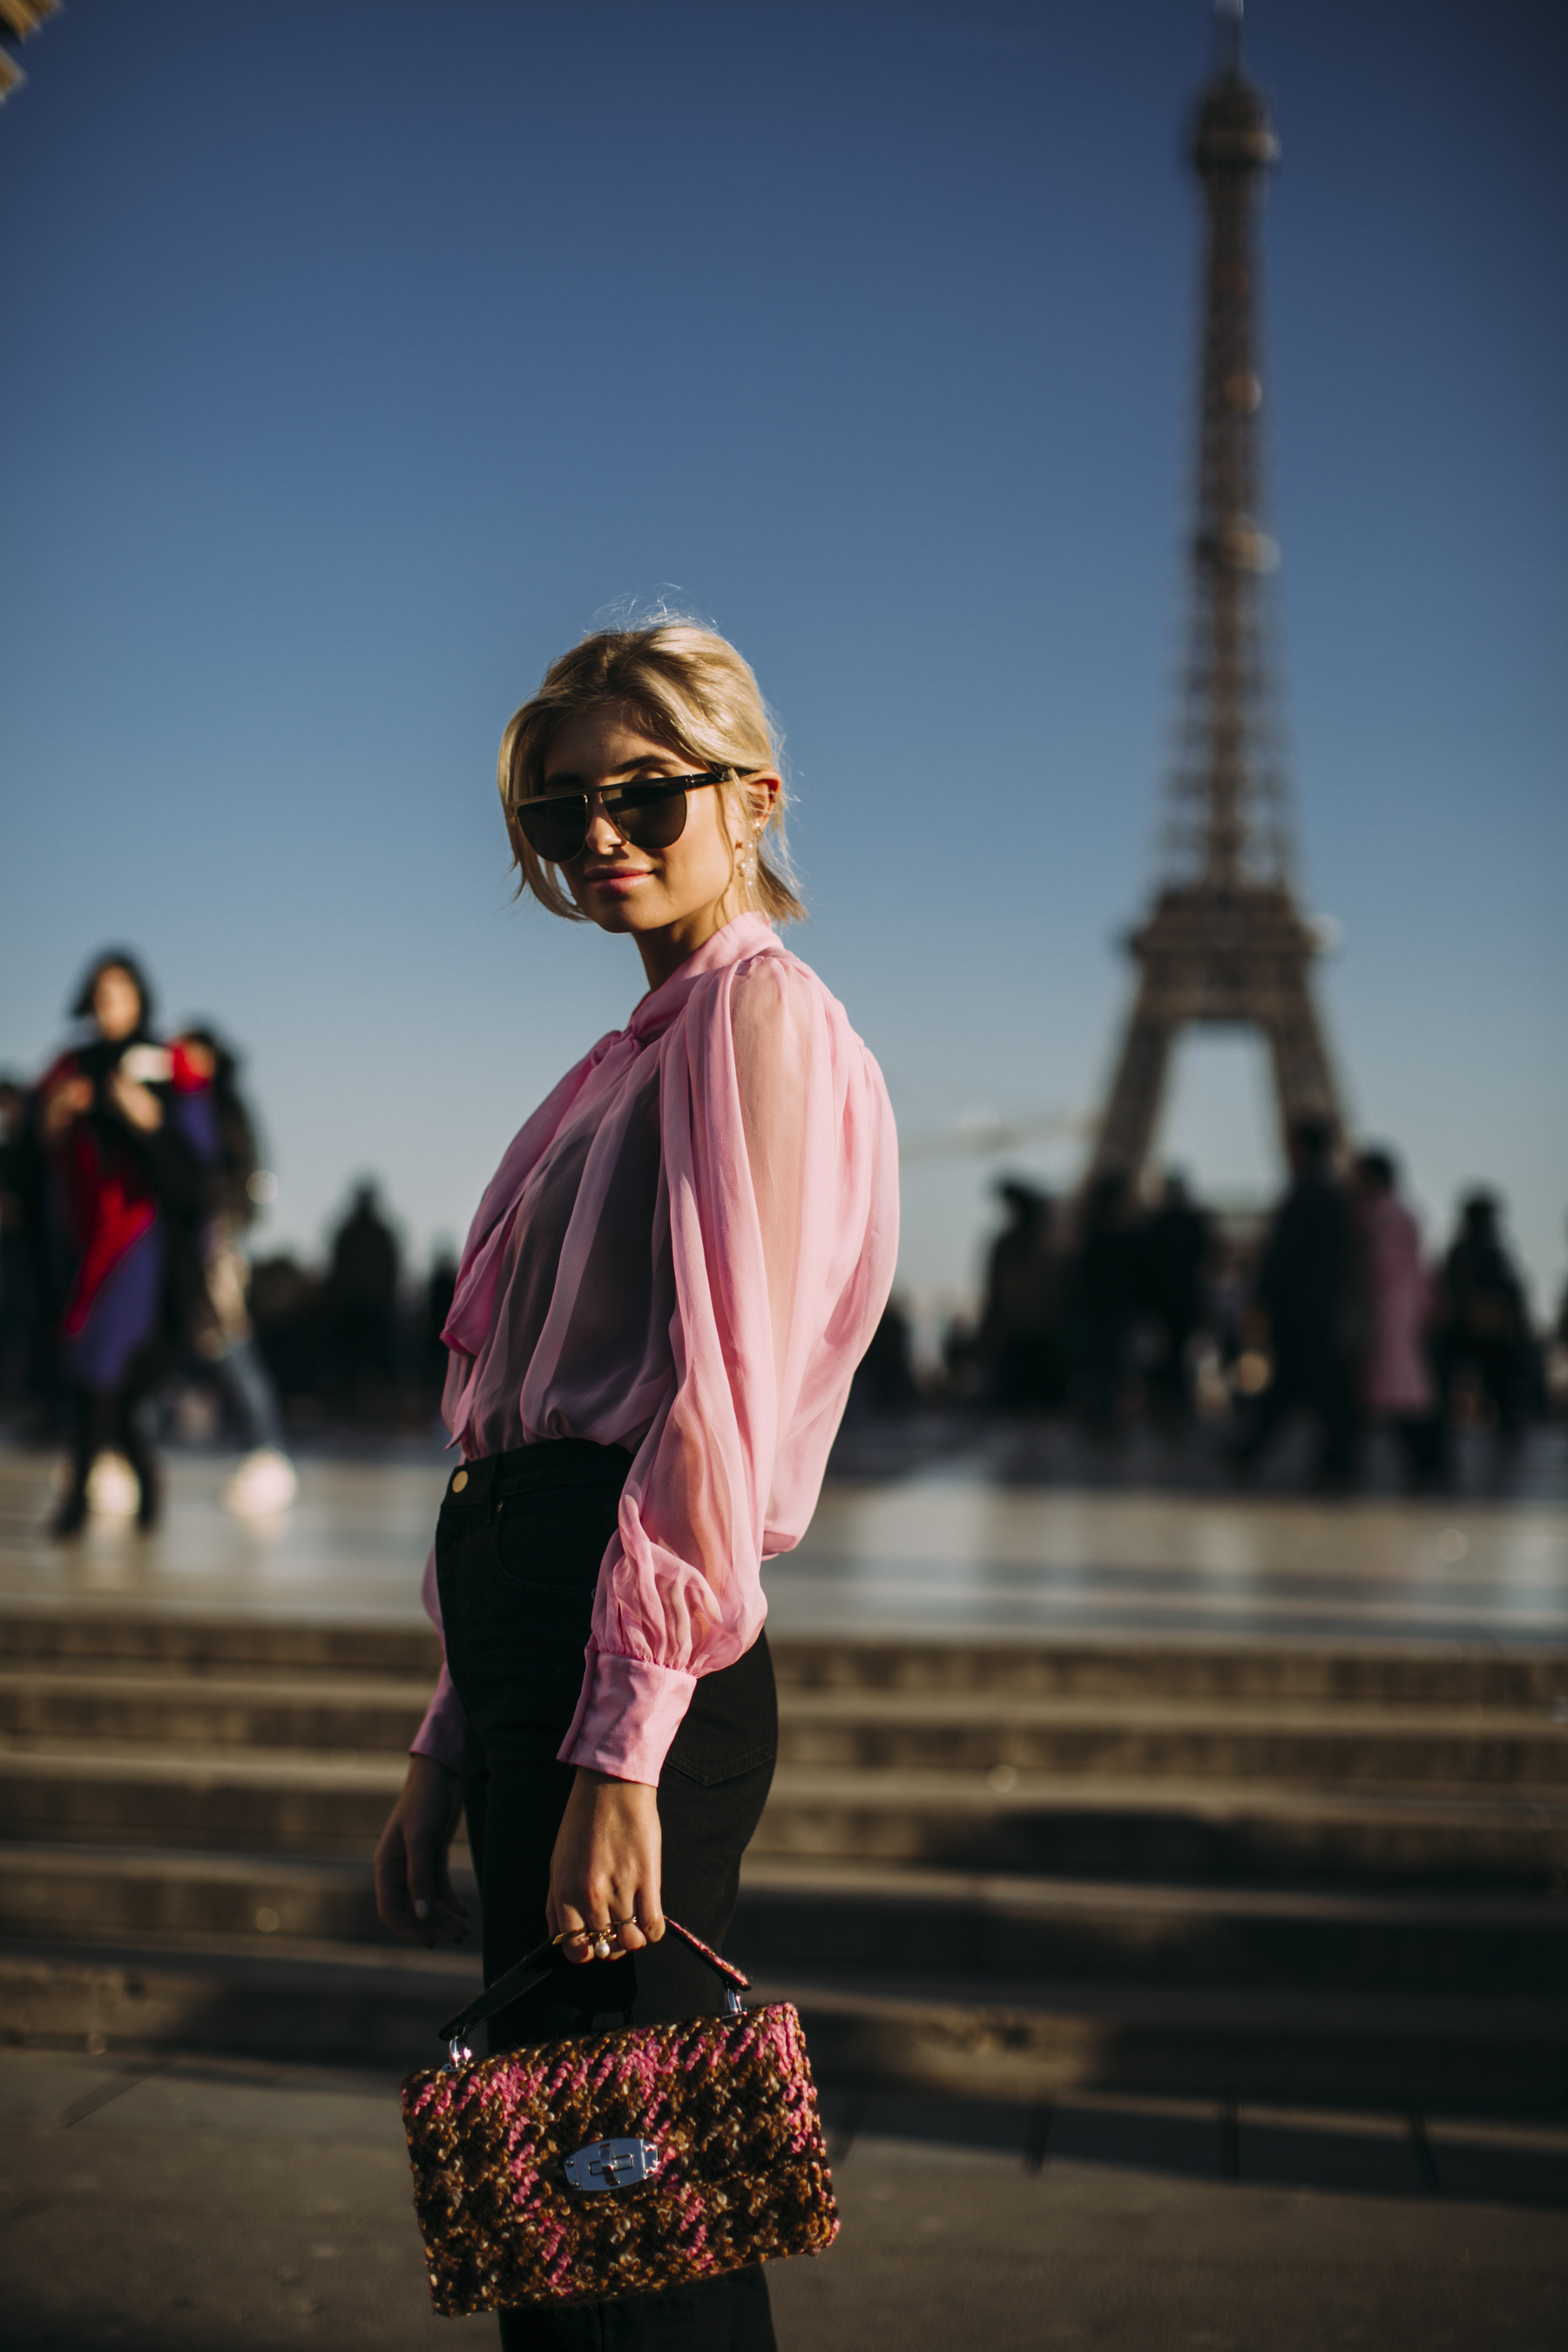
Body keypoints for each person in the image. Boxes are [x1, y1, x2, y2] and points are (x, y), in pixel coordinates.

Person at [372, 624, 898, 2350]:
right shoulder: (634, 1052)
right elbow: (508, 1428)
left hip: (629, 1652)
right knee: (573, 2230)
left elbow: (714, 1405)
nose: (600, 836)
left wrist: (621, 1750)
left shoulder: (757, 1019)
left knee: (633, 2243)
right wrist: (452, 1735)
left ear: (750, 796)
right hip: (551, 1637)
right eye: (558, 809)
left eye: (643, 795)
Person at [25, 952, 214, 1535]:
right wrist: (54, 1120)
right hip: (84, 1236)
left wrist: (147, 1119)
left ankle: (77, 1501)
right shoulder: (69, 1066)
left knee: (98, 1360)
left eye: (121, 994)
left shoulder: (161, 1064)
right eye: (102, 996)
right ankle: (145, 1482)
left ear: (139, 1000)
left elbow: (199, 1163)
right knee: (107, 1376)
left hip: (140, 1238)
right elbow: (34, 1147)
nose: (111, 1007)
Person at [168, 1026, 298, 1516]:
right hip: (182, 1242)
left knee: (229, 1339)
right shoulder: (179, 1103)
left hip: (214, 1242)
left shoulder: (223, 1107)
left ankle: (268, 1450)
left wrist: (228, 1225)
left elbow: (247, 1170)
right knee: (184, 1345)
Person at [1233, 1116, 1357, 1488]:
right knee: (1302, 1382)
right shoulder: (1331, 1192)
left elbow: (1284, 1255)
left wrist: (1264, 1298)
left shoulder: (1305, 1192)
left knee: (1301, 1382)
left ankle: (1256, 1449)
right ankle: (1259, 1449)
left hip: (1299, 1306)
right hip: (1318, 1304)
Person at [1351, 1148, 1443, 1489]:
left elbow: (1380, 1268)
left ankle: (1424, 1460)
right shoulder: (1400, 1212)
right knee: (1403, 1389)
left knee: (1398, 1390)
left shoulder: (1383, 1216)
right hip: (1402, 1310)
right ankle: (1425, 1460)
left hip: (1389, 1312)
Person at [1432, 1192, 1533, 1462]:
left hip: (1466, 1330)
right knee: (1500, 1386)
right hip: (1491, 1332)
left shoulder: (1461, 1251)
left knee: (1458, 1383)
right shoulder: (1493, 1252)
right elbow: (1513, 1293)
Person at [1139, 1171, 1212, 1425]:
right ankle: (1179, 1405)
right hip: (1185, 1302)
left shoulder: (1156, 1225)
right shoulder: (1193, 1223)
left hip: (1162, 1304)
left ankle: (1163, 1404)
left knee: (1164, 1357)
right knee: (1182, 1357)